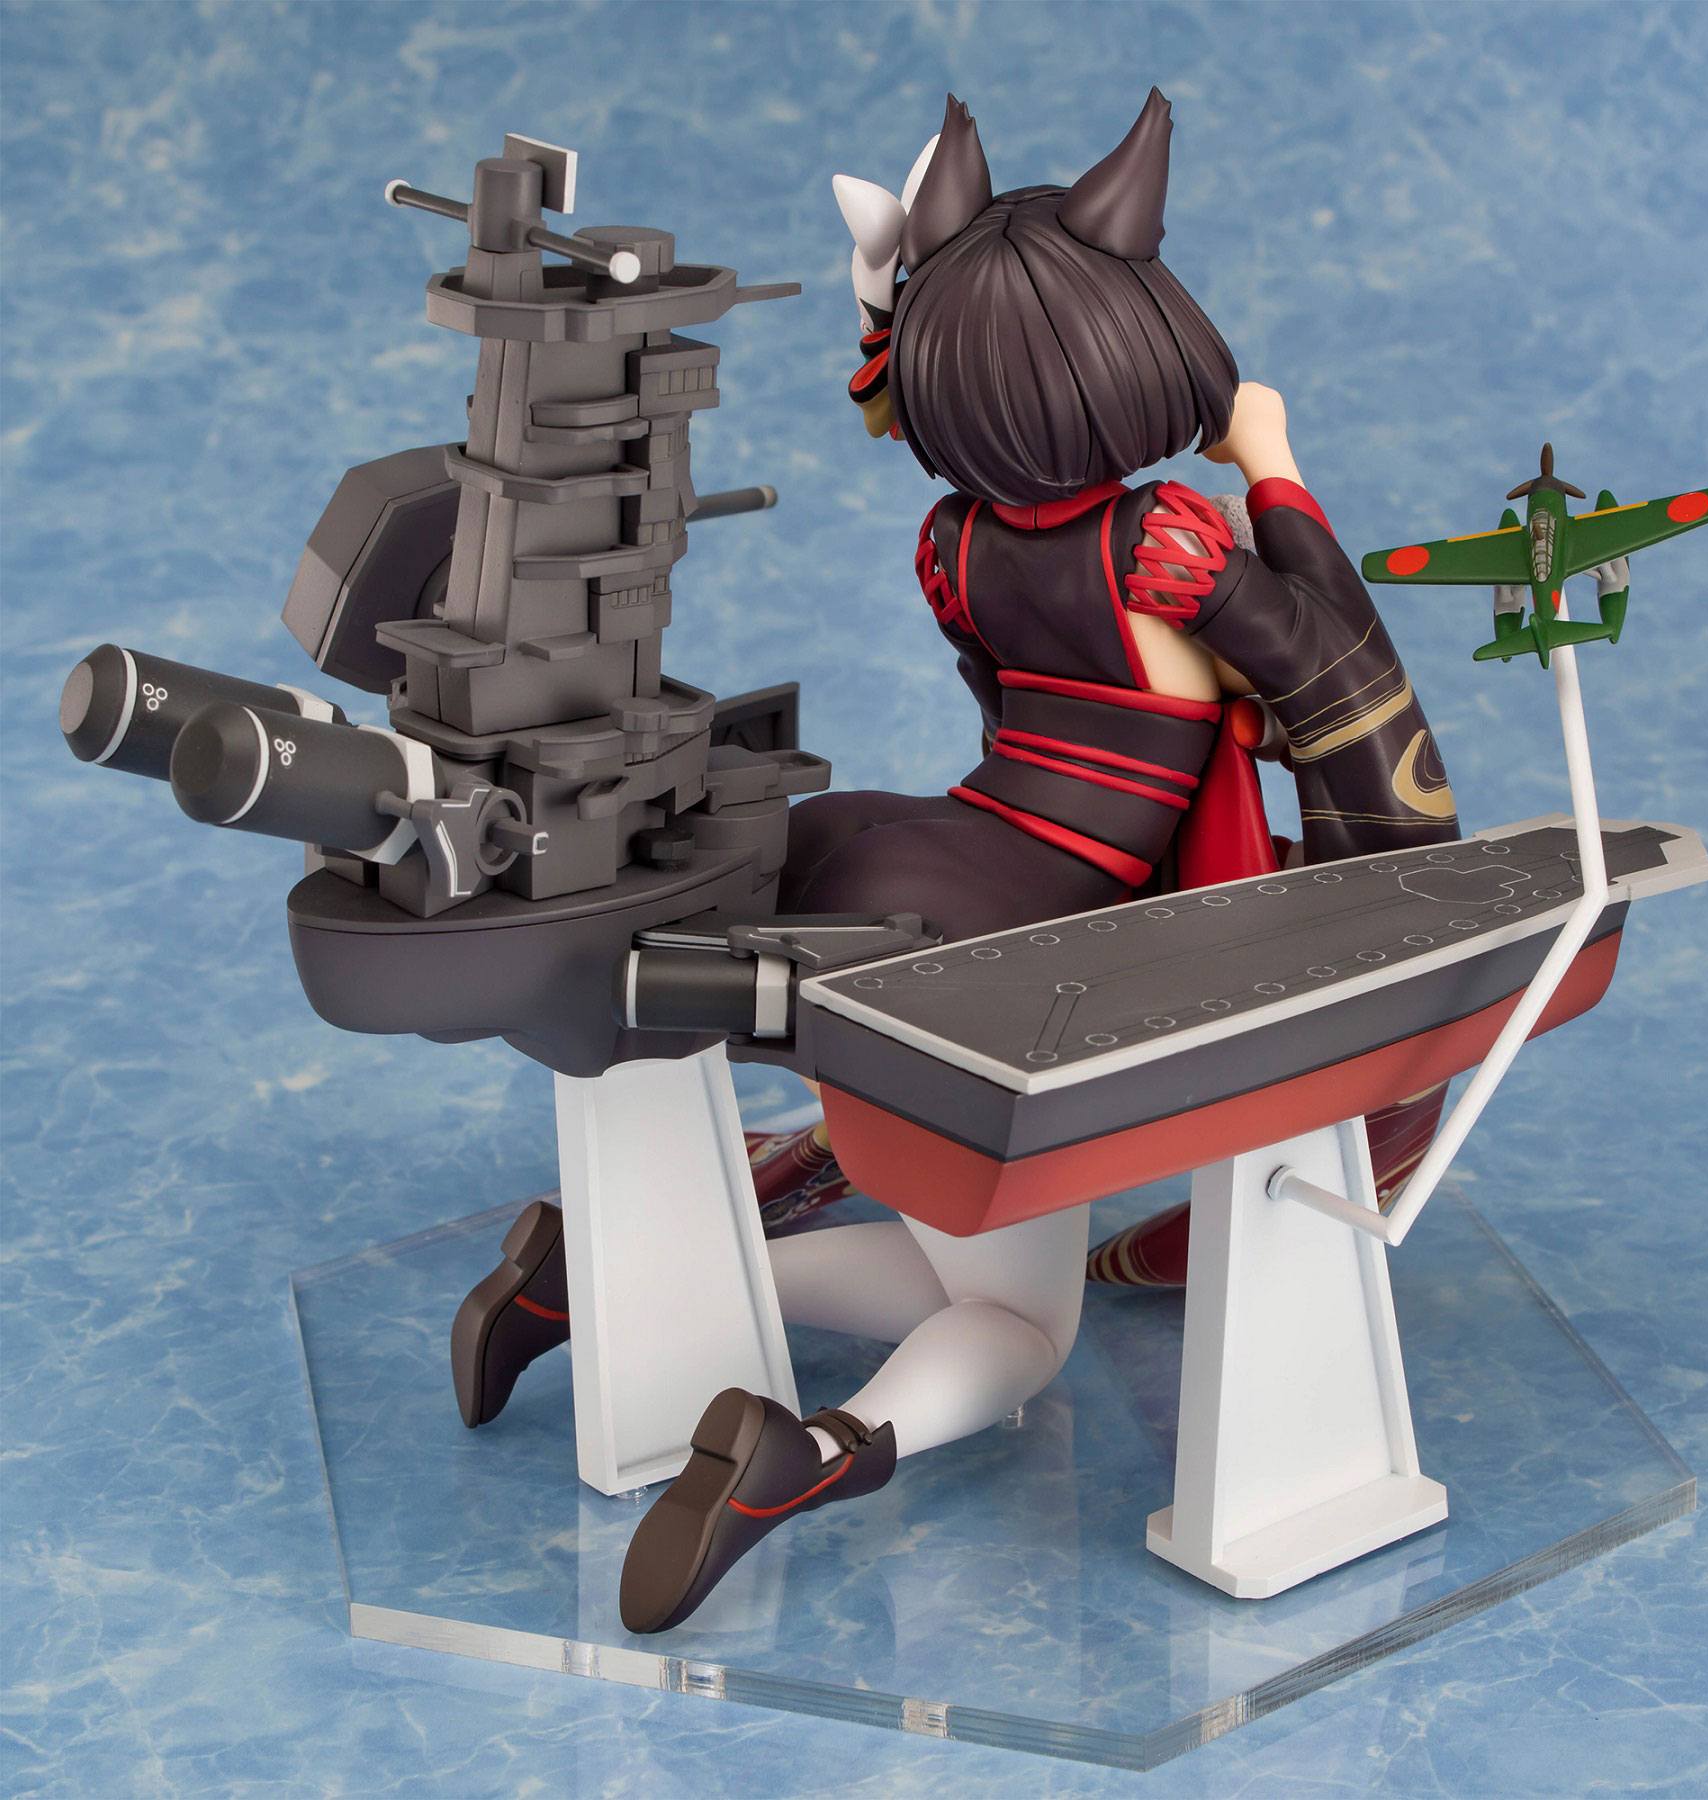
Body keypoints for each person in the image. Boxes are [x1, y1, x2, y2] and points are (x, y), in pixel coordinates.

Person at [617, 90, 1461, 1634]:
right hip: (1018, 910)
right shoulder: (1166, 548)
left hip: (923, 836)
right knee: (1019, 1324)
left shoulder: (950, 542)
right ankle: (807, 1458)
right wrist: (1274, 466)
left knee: (955, 1253)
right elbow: (1344, 669)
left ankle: (615, 1272)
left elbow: (1011, 699)